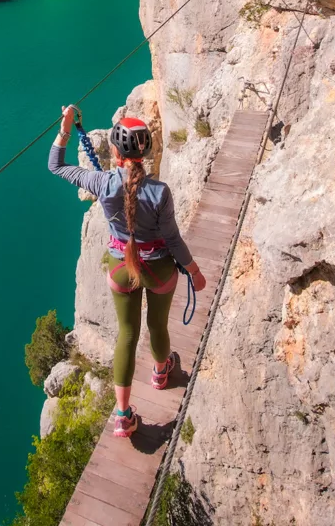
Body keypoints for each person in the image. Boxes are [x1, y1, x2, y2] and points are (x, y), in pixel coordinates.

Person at [48, 104, 206, 438]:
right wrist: (193, 270)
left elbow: (56, 165)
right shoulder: (159, 192)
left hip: (121, 268)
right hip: (159, 269)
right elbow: (173, 240)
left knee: (128, 335)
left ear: (116, 153)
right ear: (146, 151)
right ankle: (161, 373)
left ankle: (122, 415)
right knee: (157, 325)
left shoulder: (102, 182)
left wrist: (65, 128)